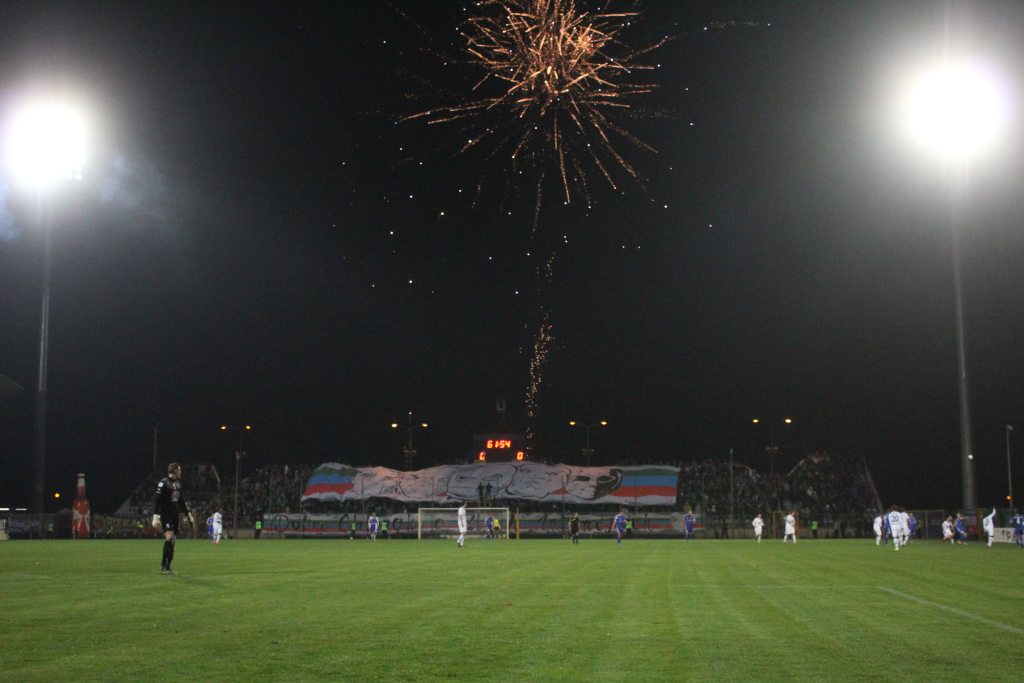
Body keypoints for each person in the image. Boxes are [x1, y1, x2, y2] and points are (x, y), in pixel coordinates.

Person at [152, 462, 194, 575]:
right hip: (166, 514)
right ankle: (162, 566)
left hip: (175, 515)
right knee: (169, 537)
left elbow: (181, 501)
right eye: (179, 470)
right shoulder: (163, 483)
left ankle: (168, 567)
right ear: (175, 471)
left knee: (173, 541)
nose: (180, 472)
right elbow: (157, 499)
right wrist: (155, 516)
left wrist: (188, 514)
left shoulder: (178, 484)